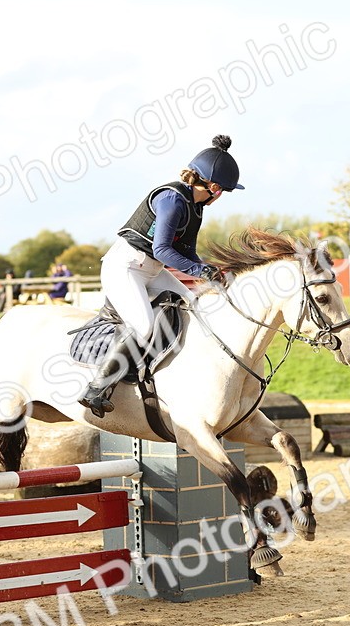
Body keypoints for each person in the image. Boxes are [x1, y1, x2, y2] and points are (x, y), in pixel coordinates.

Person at [78, 134, 243, 417]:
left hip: (151, 270)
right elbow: (163, 249)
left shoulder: (196, 207)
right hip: (125, 267)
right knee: (142, 325)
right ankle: (96, 388)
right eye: (224, 191)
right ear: (213, 187)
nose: (222, 197)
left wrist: (210, 272)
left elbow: (187, 252)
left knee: (195, 307)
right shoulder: (172, 200)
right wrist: (198, 270)